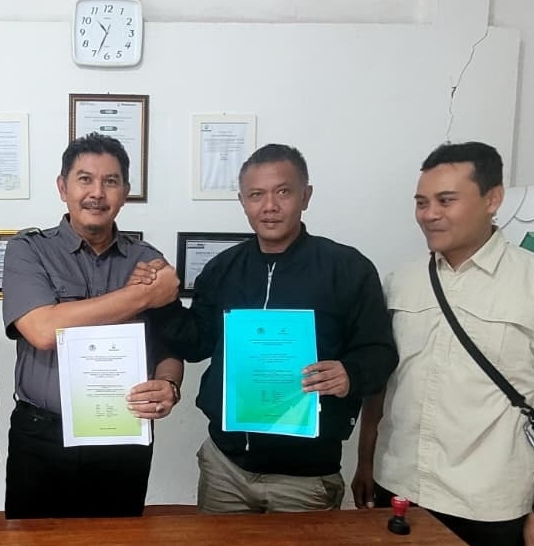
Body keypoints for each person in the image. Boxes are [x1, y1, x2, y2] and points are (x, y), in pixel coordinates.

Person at [189, 143, 397, 514]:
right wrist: (157, 298)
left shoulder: (347, 268)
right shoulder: (223, 268)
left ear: (306, 196)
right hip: (226, 468)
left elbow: (380, 351)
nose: (269, 206)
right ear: (242, 202)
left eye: (283, 192)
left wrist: (351, 373)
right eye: (256, 195)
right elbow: (195, 342)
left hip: (305, 477)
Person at [1, 132, 197, 519]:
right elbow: (43, 330)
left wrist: (169, 384)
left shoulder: (148, 261)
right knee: (33, 541)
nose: (97, 193)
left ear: (125, 192)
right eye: (85, 179)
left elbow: (168, 347)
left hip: (123, 433)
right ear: (63, 187)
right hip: (42, 435)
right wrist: (141, 296)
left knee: (118, 539)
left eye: (110, 181)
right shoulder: (29, 250)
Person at [353, 142, 534, 546]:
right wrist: (365, 461)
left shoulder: (528, 282)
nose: (429, 214)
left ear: (493, 199)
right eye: (422, 202)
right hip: (398, 488)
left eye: (446, 200)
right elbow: (382, 384)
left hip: (489, 504)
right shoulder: (401, 281)